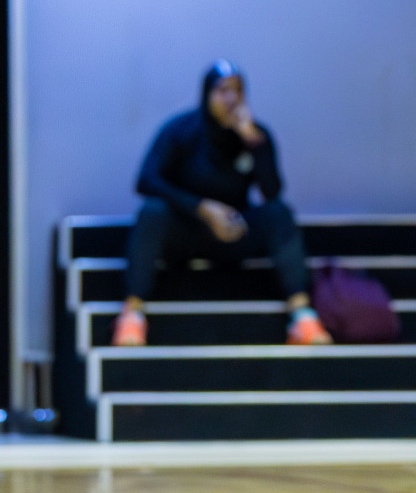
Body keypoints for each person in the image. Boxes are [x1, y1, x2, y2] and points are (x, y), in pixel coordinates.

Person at [112, 61, 329, 347]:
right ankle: (133, 315)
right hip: (188, 231)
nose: (231, 99)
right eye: (223, 91)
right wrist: (201, 208)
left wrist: (254, 144)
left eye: (238, 91)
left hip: (234, 233)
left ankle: (302, 317)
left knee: (279, 213)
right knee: (152, 212)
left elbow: (272, 192)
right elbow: (146, 181)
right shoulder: (182, 130)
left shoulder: (254, 135)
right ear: (207, 95)